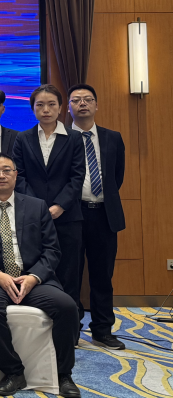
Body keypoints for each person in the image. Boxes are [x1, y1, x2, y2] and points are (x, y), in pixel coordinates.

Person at [0, 153, 81, 398]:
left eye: (7, 170)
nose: (1, 175)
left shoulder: (37, 206)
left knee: (67, 306)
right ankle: (13, 371)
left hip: (33, 278)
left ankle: (63, 374)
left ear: (16, 175)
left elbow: (52, 250)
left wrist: (34, 277)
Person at [12, 84, 85, 338]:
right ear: (32, 109)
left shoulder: (74, 138)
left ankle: (71, 332)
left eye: (52, 104)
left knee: (69, 272)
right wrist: (39, 208)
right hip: (32, 218)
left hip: (68, 217)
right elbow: (19, 176)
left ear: (61, 107)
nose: (46, 109)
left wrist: (59, 205)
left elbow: (77, 177)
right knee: (35, 271)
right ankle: (39, 331)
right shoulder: (23, 138)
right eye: (40, 105)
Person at [68, 83, 126, 349]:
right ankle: (72, 329)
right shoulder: (61, 138)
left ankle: (103, 330)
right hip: (72, 214)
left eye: (88, 99)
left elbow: (116, 177)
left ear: (96, 105)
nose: (82, 103)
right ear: (68, 107)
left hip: (104, 214)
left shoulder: (113, 137)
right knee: (71, 275)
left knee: (103, 276)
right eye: (76, 100)